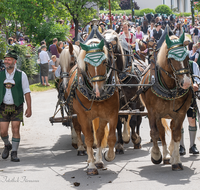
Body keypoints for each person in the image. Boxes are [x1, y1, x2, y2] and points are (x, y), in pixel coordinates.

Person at [0, 50, 32, 162]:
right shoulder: (0, 74)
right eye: (5, 60)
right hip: (3, 106)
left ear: (14, 61)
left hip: (17, 105)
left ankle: (14, 152)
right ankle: (7, 144)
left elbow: (27, 92)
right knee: (2, 131)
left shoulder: (21, 75)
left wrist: (29, 107)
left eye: (9, 60)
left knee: (15, 129)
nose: (6, 62)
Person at [179, 60, 200, 155]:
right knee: (179, 121)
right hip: (177, 97)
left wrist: (196, 84)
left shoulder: (192, 64)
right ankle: (181, 146)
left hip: (190, 96)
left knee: (192, 120)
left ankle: (192, 145)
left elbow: (197, 78)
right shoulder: (175, 63)